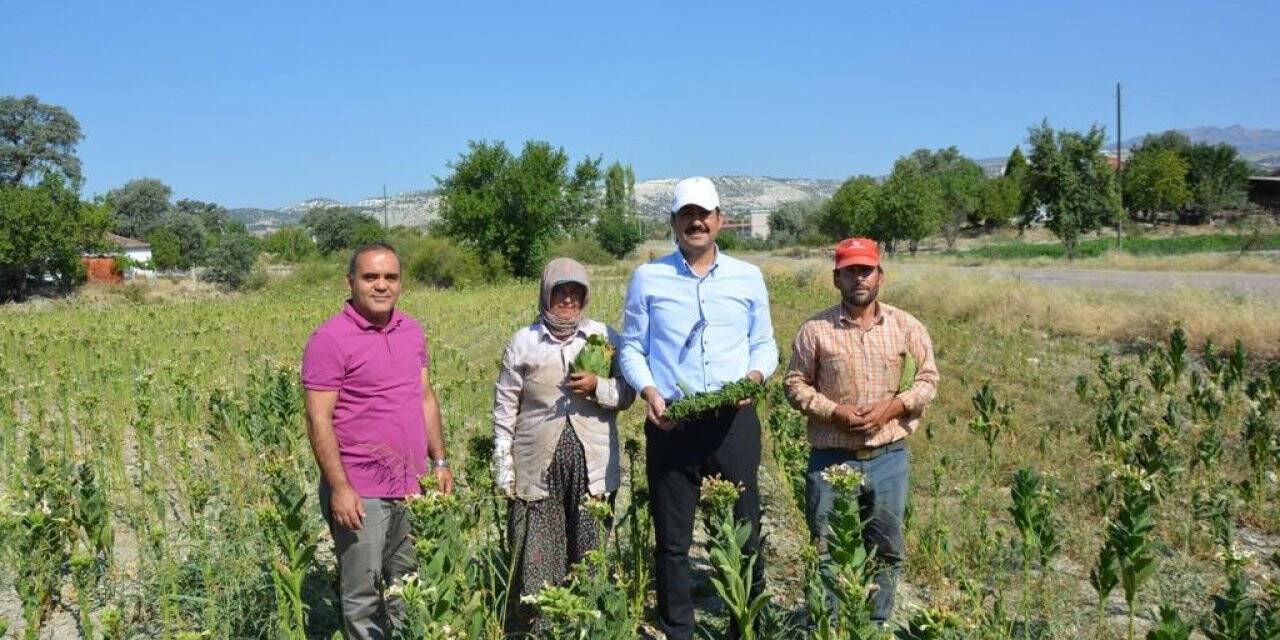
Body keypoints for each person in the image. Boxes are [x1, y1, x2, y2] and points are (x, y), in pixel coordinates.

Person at [618, 177, 778, 640]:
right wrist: (649, 391)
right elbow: (632, 348)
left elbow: (764, 345)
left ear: (720, 220)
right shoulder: (648, 277)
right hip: (671, 422)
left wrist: (753, 378)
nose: (696, 221)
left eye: (704, 213)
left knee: (745, 529)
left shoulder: (748, 277)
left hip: (733, 421)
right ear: (672, 222)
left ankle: (743, 625)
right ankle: (678, 629)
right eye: (686, 214)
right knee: (672, 539)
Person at [301, 242, 453, 639]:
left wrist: (439, 463)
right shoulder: (329, 339)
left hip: (414, 485)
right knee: (363, 594)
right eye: (371, 277)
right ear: (350, 281)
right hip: (361, 491)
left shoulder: (412, 331)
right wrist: (339, 487)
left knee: (410, 587)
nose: (381, 285)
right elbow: (319, 418)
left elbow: (424, 397)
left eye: (390, 277)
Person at [783, 237, 938, 625]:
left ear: (880, 275)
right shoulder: (815, 330)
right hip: (831, 458)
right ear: (837, 279)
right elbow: (794, 384)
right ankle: (831, 625)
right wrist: (834, 412)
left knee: (887, 547)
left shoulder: (907, 327)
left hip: (889, 459)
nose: (859, 279)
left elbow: (928, 381)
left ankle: (873, 623)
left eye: (865, 270)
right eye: (850, 271)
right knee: (827, 549)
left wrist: (894, 407)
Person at [491, 257, 635, 635]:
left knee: (589, 547)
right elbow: (505, 406)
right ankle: (544, 626)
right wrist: (502, 461)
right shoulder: (524, 342)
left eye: (576, 293)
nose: (569, 301)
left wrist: (598, 388)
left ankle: (585, 623)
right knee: (537, 548)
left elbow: (628, 393)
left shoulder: (605, 338)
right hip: (536, 462)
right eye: (561, 293)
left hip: (594, 463)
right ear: (546, 295)